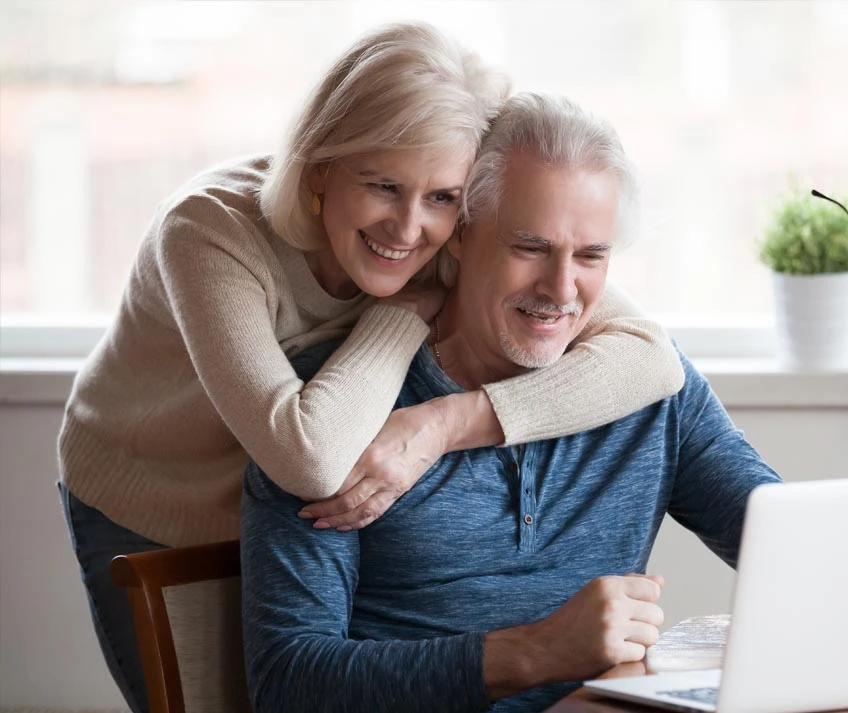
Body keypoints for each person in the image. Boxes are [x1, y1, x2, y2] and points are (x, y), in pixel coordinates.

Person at [57, 23, 683, 713]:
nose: (409, 228)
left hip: (287, 502)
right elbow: (309, 459)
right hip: (153, 494)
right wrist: (404, 311)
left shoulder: (445, 227)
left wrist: (449, 421)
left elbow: (653, 357)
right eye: (384, 185)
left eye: (443, 196)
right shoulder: (207, 232)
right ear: (321, 168)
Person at [240, 92, 783, 713]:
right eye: (530, 247)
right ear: (460, 238)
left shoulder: (650, 394)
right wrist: (534, 652)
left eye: (591, 255)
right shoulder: (337, 414)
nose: (560, 289)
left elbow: (793, 551)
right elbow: (288, 683)